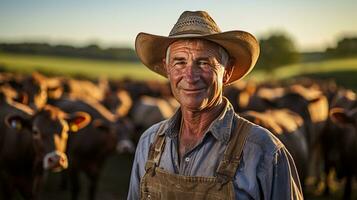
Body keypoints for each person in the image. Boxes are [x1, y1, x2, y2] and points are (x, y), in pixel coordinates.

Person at [127, 10, 303, 200]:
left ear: (226, 72)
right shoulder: (149, 142)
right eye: (179, 62)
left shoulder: (264, 151)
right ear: (167, 68)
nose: (190, 77)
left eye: (203, 63)